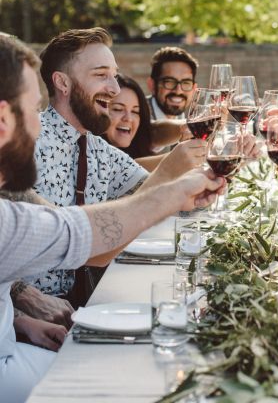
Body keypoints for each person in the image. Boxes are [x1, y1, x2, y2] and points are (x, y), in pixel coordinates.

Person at [0, 33, 224, 402]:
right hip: (20, 345)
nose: (115, 87)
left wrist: (19, 321)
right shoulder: (20, 177)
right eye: (32, 110)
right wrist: (172, 185)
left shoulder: (94, 145)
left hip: (28, 328)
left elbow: (138, 194)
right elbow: (78, 239)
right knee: (144, 379)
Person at [28, 28, 203, 307]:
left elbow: (150, 189)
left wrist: (212, 161)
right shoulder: (28, 144)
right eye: (101, 75)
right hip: (32, 318)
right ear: (62, 82)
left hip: (81, 305)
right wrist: (171, 171)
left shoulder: (95, 147)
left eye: (114, 74)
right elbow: (86, 250)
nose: (115, 88)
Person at [103, 73, 208, 172]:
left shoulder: (140, 140)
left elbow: (155, 130)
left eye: (135, 111)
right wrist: (177, 157)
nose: (129, 118)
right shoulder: (95, 155)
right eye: (118, 109)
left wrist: (198, 122)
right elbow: (127, 170)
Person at [146, 46, 198, 121]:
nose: (178, 91)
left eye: (186, 83)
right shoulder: (139, 118)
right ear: (152, 85)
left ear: (194, 89)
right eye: (170, 82)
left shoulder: (181, 118)